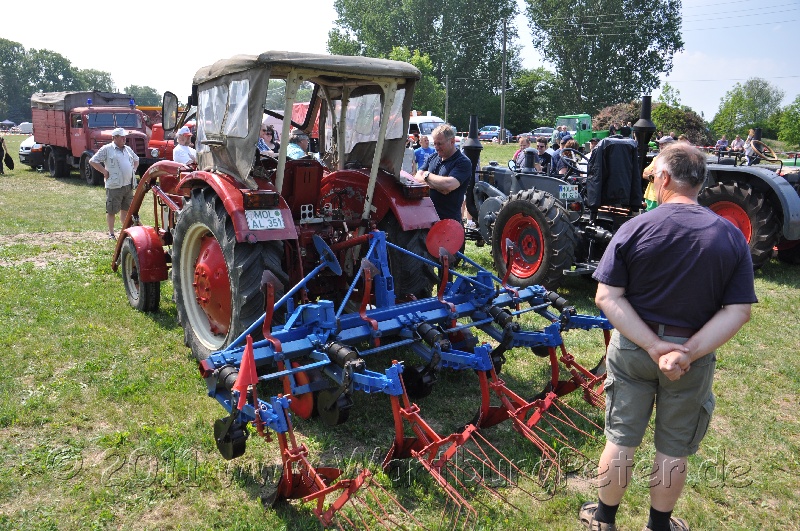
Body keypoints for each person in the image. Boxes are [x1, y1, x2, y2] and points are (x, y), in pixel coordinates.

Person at [580, 142, 756, 531]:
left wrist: (654, 346)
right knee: (673, 448)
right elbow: (738, 310)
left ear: (664, 178)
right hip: (690, 357)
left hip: (635, 351)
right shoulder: (728, 235)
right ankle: (659, 525)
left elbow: (607, 296)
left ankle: (604, 519)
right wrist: (685, 352)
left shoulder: (635, 227)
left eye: (654, 176)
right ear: (700, 182)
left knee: (622, 437)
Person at [414, 124, 472, 222]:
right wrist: (439, 186)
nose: (436, 147)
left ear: (452, 141)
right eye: (435, 143)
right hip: (427, 220)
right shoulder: (432, 157)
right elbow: (417, 177)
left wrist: (427, 175)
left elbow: (449, 185)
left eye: (440, 144)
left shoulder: (462, 162)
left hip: (449, 222)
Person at [89, 128, 139, 240]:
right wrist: (104, 171)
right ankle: (111, 234)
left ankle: (126, 231)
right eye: (121, 137)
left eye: (124, 136)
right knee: (111, 210)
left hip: (128, 185)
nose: (124, 138)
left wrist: (133, 170)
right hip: (115, 186)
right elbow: (93, 161)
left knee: (126, 210)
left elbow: (136, 159)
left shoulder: (127, 149)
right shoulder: (107, 149)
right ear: (114, 137)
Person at [641, 136, 675, 211]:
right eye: (660, 144)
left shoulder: (673, 160)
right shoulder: (656, 158)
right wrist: (653, 175)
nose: (661, 146)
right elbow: (644, 173)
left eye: (664, 144)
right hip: (650, 197)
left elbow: (664, 175)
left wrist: (654, 174)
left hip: (663, 198)